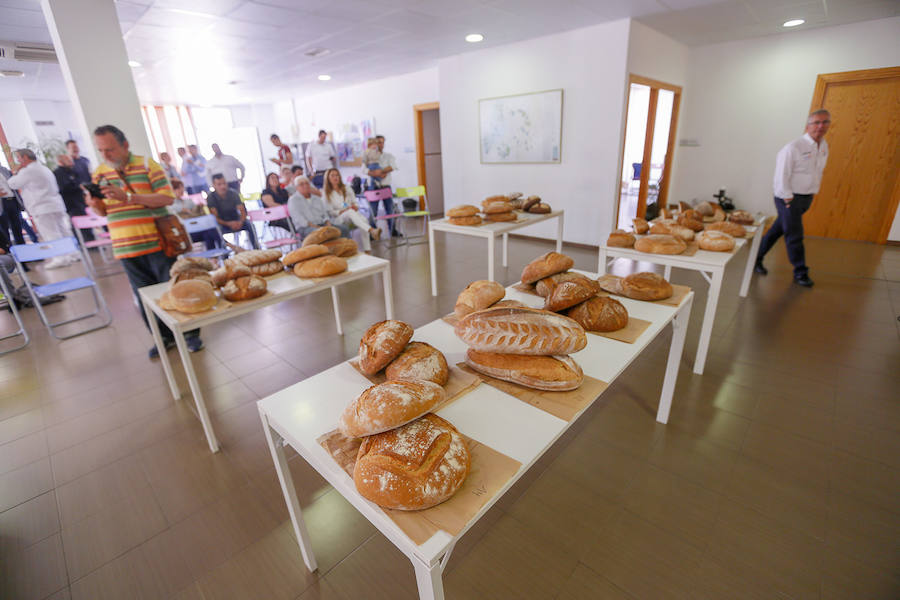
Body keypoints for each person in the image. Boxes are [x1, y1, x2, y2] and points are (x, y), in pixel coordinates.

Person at [88, 124, 202, 358]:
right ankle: (163, 337)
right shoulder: (99, 173)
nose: (105, 155)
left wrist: (129, 197)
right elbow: (103, 212)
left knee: (175, 289)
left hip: (158, 243)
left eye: (110, 149)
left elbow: (166, 199)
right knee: (146, 298)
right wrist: (94, 204)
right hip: (126, 247)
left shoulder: (148, 165)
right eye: (101, 150)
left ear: (125, 145)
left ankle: (190, 334)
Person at [755, 109, 830, 288]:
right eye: (816, 122)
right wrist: (788, 200)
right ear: (808, 125)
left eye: (825, 122)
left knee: (777, 230)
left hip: (806, 198)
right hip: (788, 198)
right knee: (794, 235)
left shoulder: (823, 146)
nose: (820, 126)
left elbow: (817, 171)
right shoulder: (793, 147)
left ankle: (755, 258)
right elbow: (781, 176)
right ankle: (800, 272)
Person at [7, 148, 79, 269]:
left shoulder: (27, 171)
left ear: (25, 157)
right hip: (55, 204)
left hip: (42, 207)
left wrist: (16, 172)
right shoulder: (44, 168)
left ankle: (60, 258)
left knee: (50, 233)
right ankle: (73, 254)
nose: (18, 161)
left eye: (19, 158)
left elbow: (12, 184)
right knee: (63, 230)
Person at [322, 167, 381, 253]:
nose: (335, 177)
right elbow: (330, 212)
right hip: (338, 219)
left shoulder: (347, 188)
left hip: (352, 215)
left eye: (337, 175)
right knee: (350, 212)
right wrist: (343, 211)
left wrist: (355, 206)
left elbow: (355, 202)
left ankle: (367, 250)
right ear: (327, 178)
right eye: (332, 175)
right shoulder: (326, 193)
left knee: (364, 220)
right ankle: (372, 230)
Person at [287, 175, 349, 240]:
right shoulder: (293, 200)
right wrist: (317, 227)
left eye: (307, 183)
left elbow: (325, 214)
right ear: (296, 187)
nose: (305, 186)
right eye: (301, 184)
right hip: (306, 228)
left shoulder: (317, 198)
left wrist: (327, 222)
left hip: (322, 224)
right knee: (323, 234)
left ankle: (347, 246)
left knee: (344, 229)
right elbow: (299, 219)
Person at [206, 173, 257, 248]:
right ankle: (225, 252)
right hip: (222, 223)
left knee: (249, 225)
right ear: (214, 185)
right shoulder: (211, 197)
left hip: (236, 220)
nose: (223, 186)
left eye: (224, 183)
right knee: (216, 230)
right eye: (219, 184)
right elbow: (215, 218)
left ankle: (256, 248)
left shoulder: (233, 193)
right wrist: (229, 224)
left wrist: (240, 222)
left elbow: (242, 211)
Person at [365, 134, 400, 236]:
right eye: (379, 142)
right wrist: (376, 174)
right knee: (373, 211)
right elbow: (364, 169)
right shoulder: (368, 156)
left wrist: (381, 171)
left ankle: (392, 231)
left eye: (383, 142)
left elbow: (393, 166)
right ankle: (373, 233)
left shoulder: (388, 156)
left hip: (385, 186)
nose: (381, 144)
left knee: (390, 210)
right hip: (373, 188)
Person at [54, 155, 94, 242]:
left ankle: (91, 242)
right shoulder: (58, 173)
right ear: (61, 162)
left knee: (86, 223)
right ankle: (81, 243)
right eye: (68, 160)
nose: (71, 161)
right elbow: (63, 188)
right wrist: (78, 186)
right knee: (77, 225)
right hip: (71, 204)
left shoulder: (73, 171)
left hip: (81, 201)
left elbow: (79, 182)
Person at [0, 166, 32, 246]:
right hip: (2, 203)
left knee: (17, 226)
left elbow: (14, 184)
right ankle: (9, 249)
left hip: (12, 200)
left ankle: (22, 247)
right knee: (4, 228)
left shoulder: (4, 170)